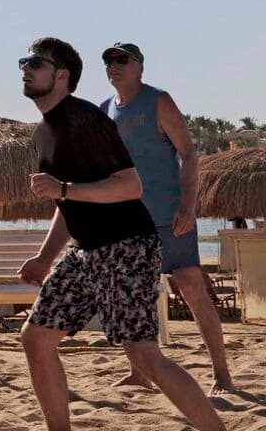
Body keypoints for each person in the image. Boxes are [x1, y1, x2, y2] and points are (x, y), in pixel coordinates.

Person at [14, 37, 252, 431]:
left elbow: (131, 186)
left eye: (35, 63)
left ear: (61, 75)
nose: (25, 69)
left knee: (144, 354)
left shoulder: (87, 119)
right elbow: (69, 206)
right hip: (86, 252)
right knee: (37, 338)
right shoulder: (45, 131)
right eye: (23, 63)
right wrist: (46, 257)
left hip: (127, 246)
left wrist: (64, 189)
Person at [100, 42, 236, 395]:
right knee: (135, 296)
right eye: (108, 61)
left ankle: (221, 374)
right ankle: (139, 371)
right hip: (125, 220)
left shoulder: (158, 100)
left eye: (121, 60)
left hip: (168, 216)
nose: (113, 66)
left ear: (140, 66)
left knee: (192, 288)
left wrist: (188, 208)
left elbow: (189, 154)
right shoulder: (105, 110)